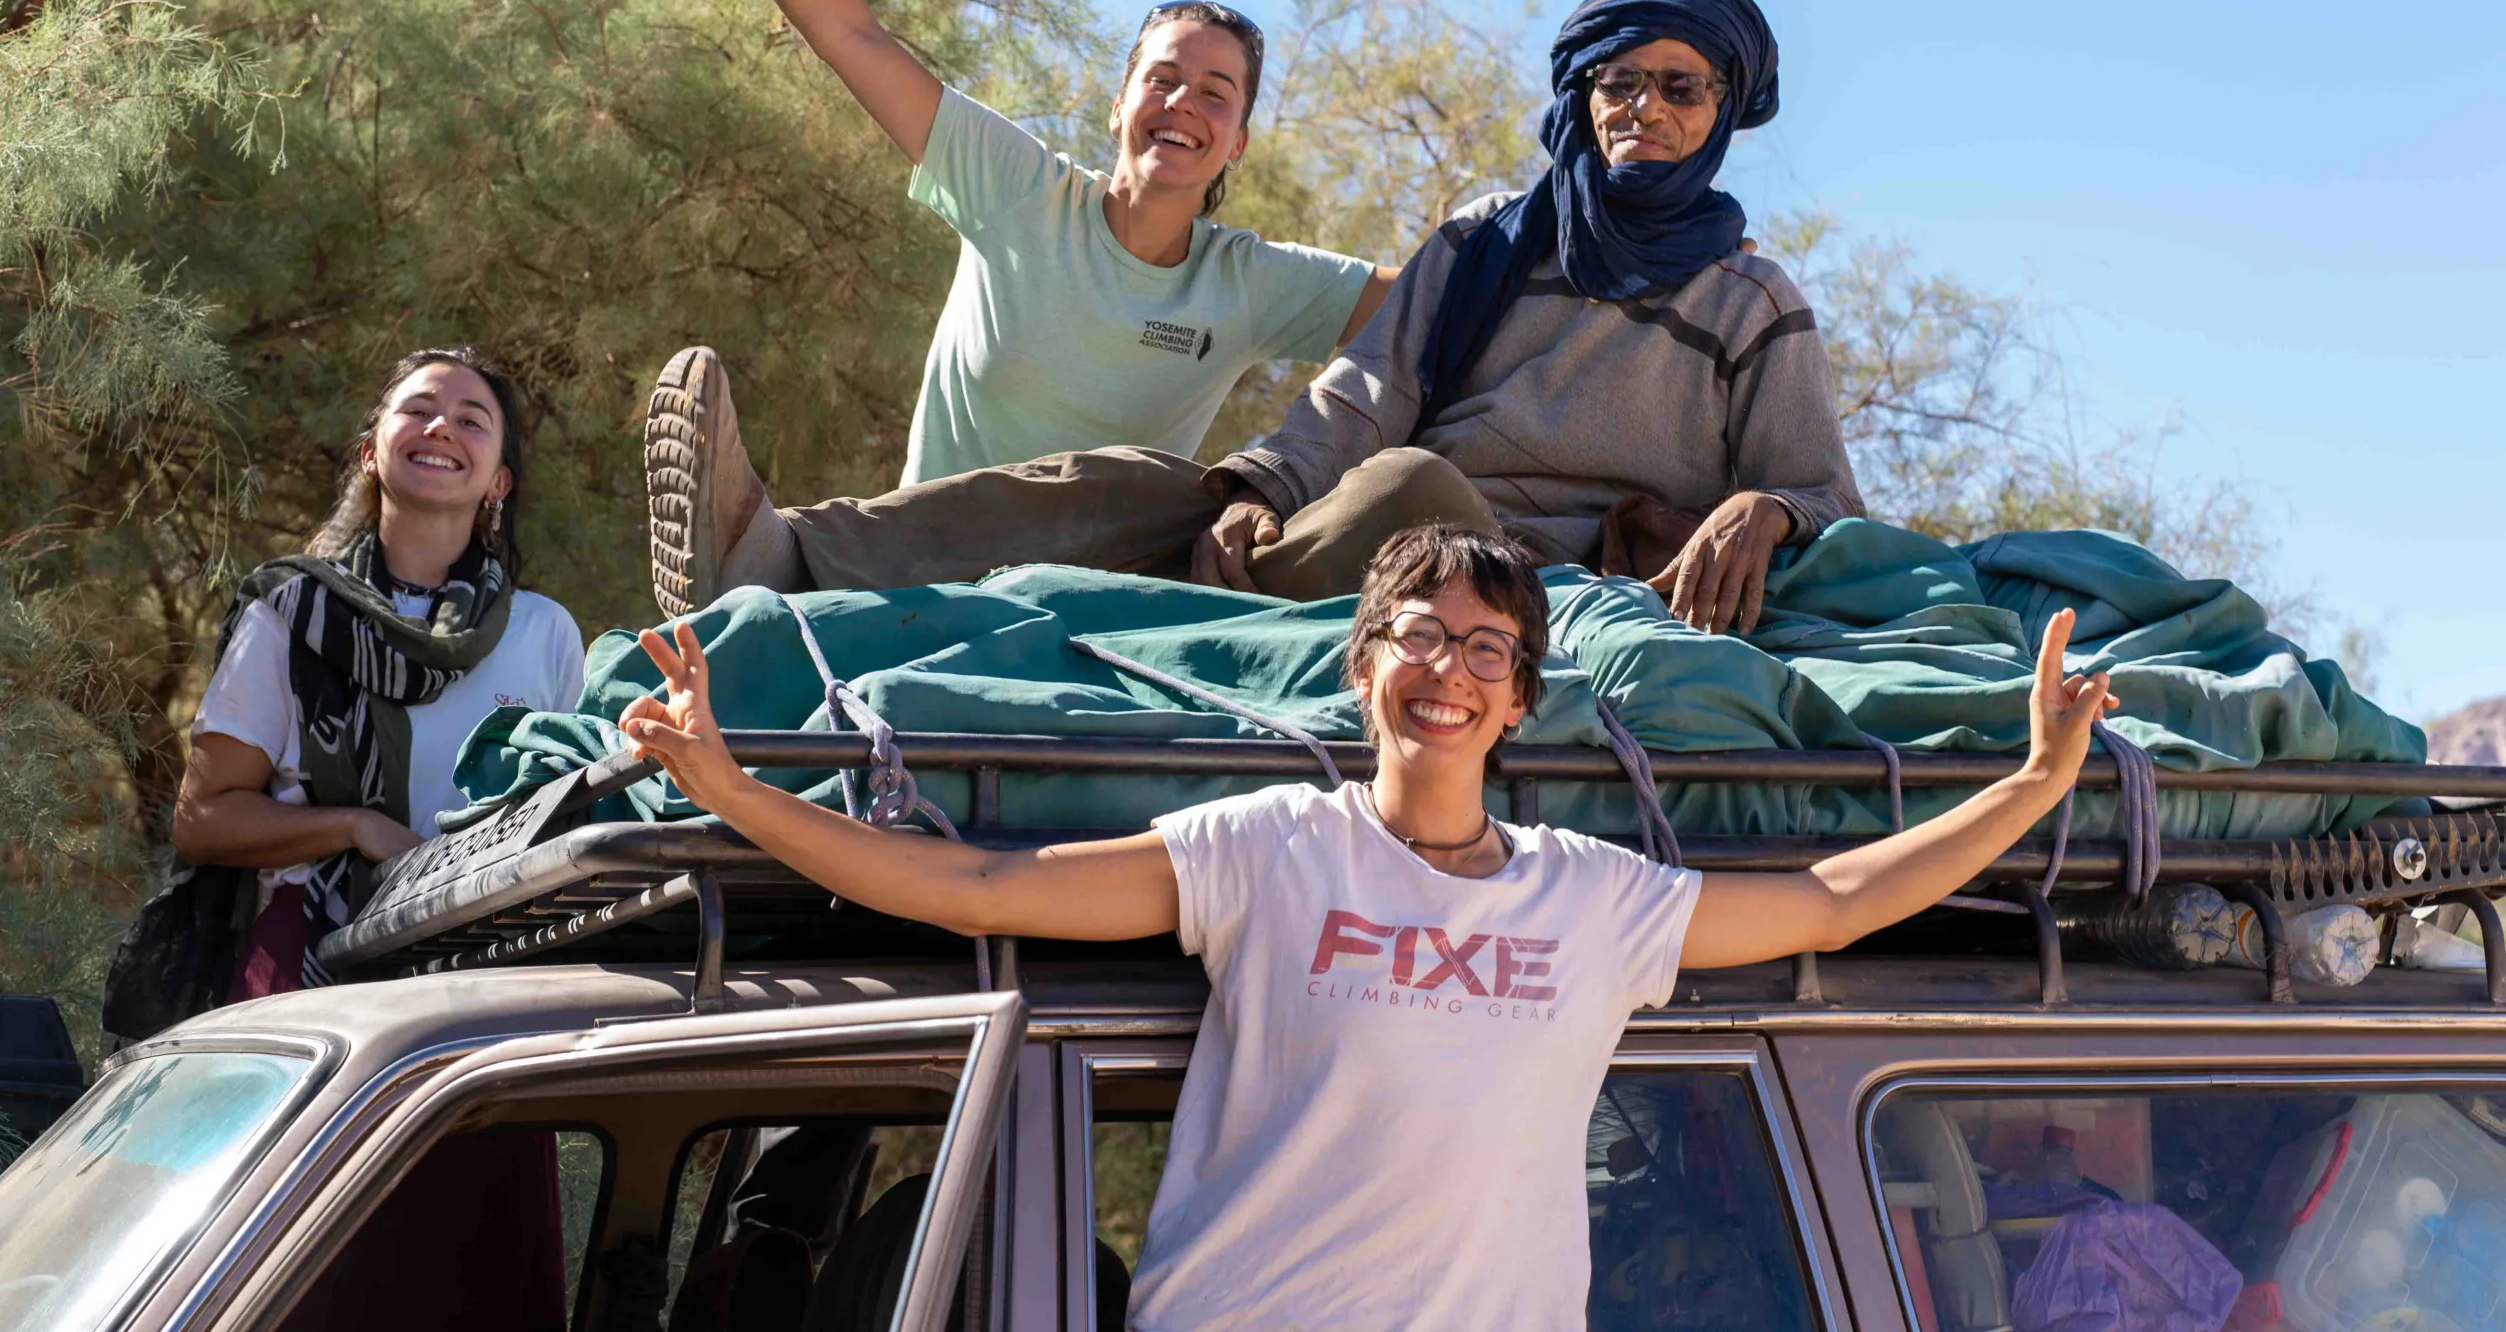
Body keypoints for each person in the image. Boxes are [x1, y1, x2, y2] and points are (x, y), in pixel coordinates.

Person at [616, 523, 2115, 1331]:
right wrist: (730, 788)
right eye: (1419, 634)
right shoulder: (1269, 848)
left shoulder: (1591, 895)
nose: (1448, 669)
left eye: (1486, 648)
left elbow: (1837, 899)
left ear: (1519, 698)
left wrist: (2036, 781)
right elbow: (984, 892)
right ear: (1361, 665)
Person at [647, 0, 1392, 616]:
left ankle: (781, 555)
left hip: (1092, 603)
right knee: (1128, 476)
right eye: (1162, 79)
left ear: (1237, 139)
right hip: (920, 582)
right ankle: (770, 556)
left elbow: (1439, 301)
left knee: (1154, 483)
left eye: (1215, 92)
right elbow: (851, 34)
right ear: (1118, 104)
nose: (1182, 105)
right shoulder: (1017, 189)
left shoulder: (1250, 283)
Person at [1191, 0, 1864, 630]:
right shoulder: (1485, 239)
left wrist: (1767, 507)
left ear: (1721, 112)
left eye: (1680, 87)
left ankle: (1237, 602)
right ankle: (1235, 577)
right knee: (1134, 482)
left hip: (1567, 576)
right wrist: (1264, 488)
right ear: (1585, 97)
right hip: (1396, 529)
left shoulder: (1751, 302)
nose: (1647, 107)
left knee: (1406, 484)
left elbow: (1823, 494)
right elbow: (1367, 390)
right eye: (1620, 82)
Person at [173, 348, 585, 991]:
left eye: (470, 420)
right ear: (370, 453)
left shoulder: (545, 632)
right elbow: (203, 820)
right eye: (418, 411)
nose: (440, 427)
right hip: (310, 966)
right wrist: (354, 827)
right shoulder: (293, 615)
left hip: (493, 962)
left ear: (498, 484)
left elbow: (569, 814)